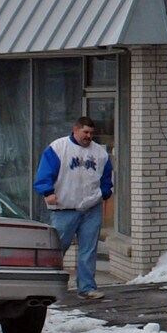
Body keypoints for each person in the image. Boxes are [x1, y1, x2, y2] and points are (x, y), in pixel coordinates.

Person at [33, 115, 113, 300]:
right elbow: (44, 174)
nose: (88, 136)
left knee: (89, 249)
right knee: (58, 248)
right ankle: (47, 285)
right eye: (85, 132)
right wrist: (48, 192)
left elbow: (107, 178)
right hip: (64, 207)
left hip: (91, 207)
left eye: (91, 133)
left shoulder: (100, 154)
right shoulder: (59, 148)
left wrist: (105, 192)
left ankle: (87, 287)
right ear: (75, 130)